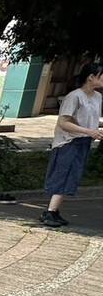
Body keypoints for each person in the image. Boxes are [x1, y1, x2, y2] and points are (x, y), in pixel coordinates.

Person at [41, 62, 103, 228]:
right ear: (91, 77)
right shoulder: (74, 96)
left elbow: (92, 120)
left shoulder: (98, 97)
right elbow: (63, 122)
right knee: (63, 175)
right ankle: (50, 212)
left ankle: (53, 211)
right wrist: (89, 131)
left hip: (84, 141)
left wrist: (93, 131)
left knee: (72, 176)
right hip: (68, 142)